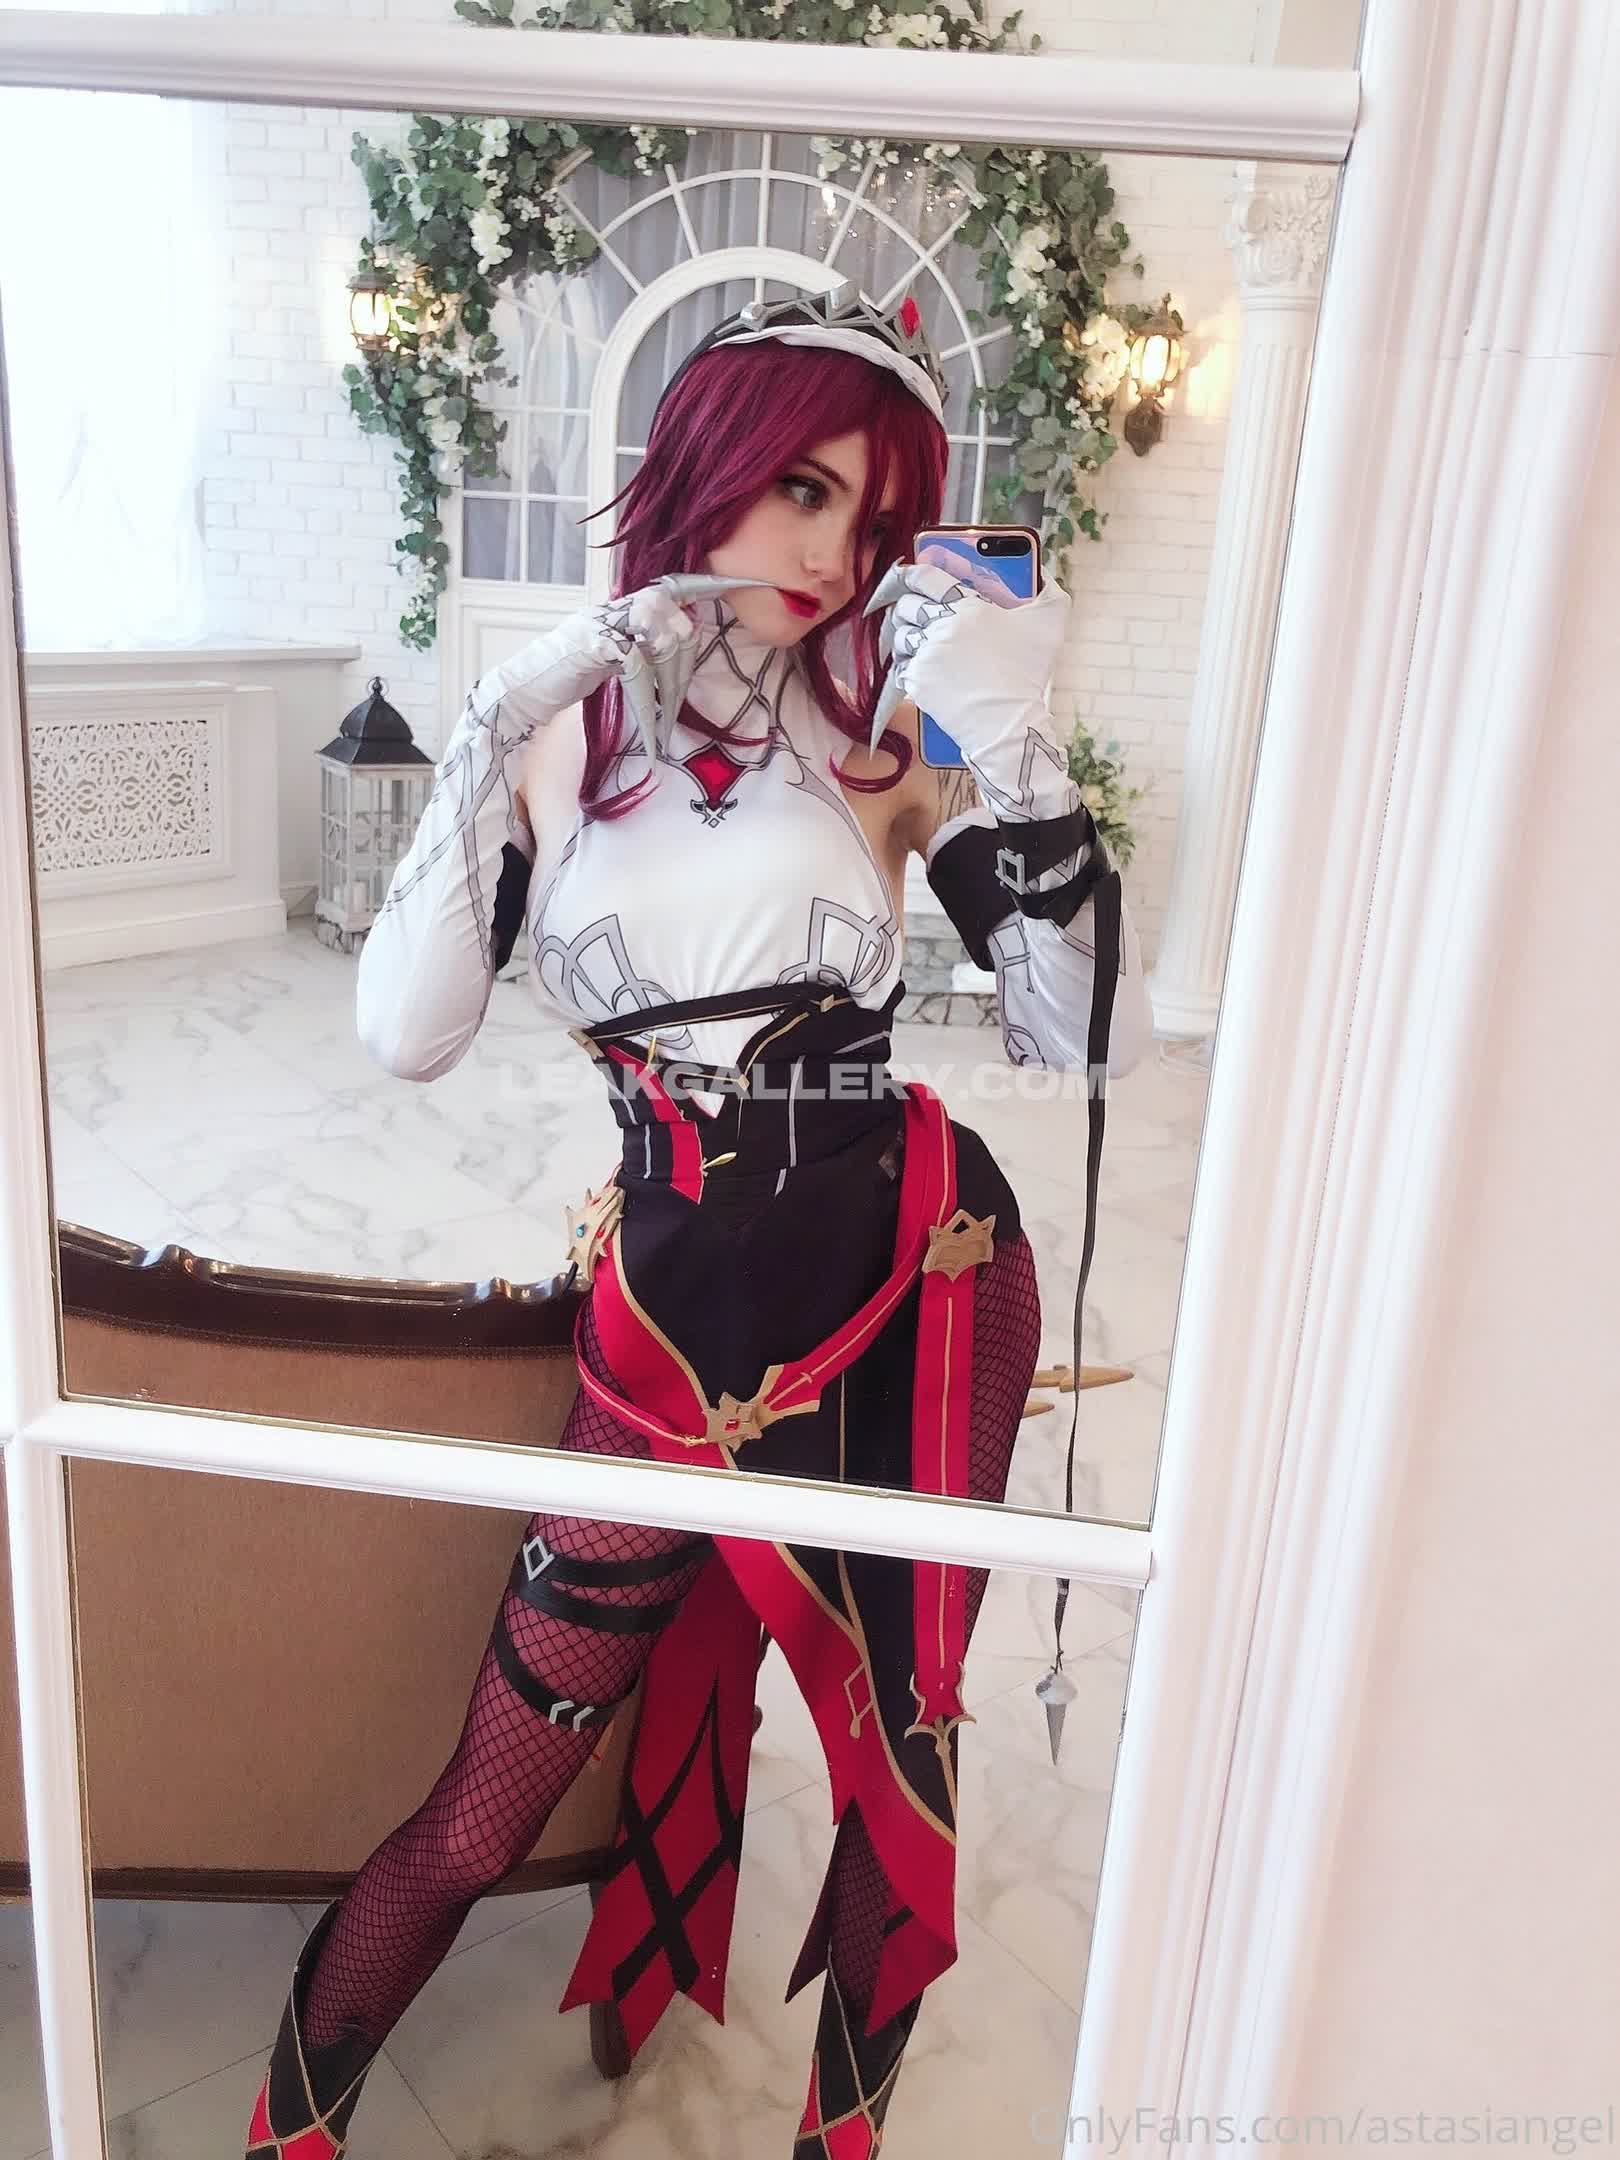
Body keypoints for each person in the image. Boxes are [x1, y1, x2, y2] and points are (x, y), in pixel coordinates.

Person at [245, 282, 1151, 2160]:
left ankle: (841, 2139)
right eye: (803, 488)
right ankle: (291, 2127)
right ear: (705, 468)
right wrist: (498, 714)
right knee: (488, 1798)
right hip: (668, 1332)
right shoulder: (562, 744)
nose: (832, 553)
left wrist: (1020, 742)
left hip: (914, 1283)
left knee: (901, 1758)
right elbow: (406, 1032)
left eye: (874, 518)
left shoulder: (885, 743)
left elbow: (1083, 1039)